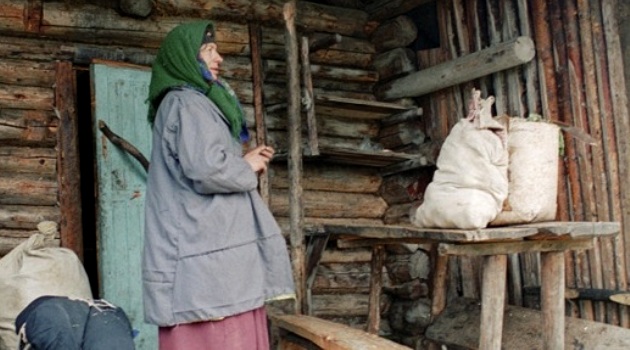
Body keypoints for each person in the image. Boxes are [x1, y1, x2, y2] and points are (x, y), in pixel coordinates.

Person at [143, 20, 295, 350]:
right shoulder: (187, 103)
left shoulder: (192, 102)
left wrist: (243, 160)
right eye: (208, 49)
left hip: (213, 260)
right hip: (209, 266)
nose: (219, 57)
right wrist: (246, 165)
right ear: (186, 57)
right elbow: (205, 169)